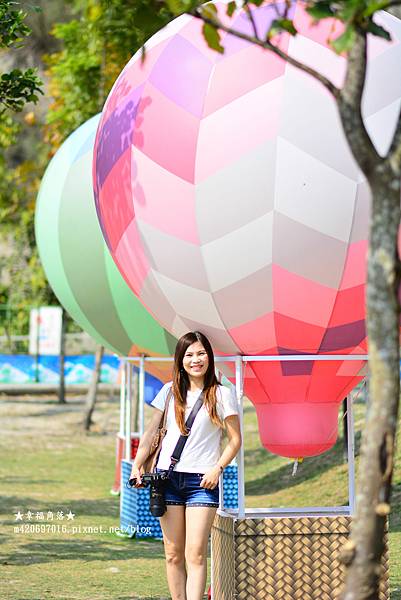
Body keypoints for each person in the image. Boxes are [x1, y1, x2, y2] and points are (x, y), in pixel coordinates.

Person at [130, 331, 242, 600]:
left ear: (209, 357)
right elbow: (150, 433)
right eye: (189, 355)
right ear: (180, 360)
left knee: (196, 553)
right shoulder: (169, 392)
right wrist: (137, 465)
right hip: (166, 480)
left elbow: (235, 440)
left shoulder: (222, 394)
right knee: (172, 554)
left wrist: (218, 468)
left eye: (201, 353)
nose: (196, 360)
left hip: (202, 482)